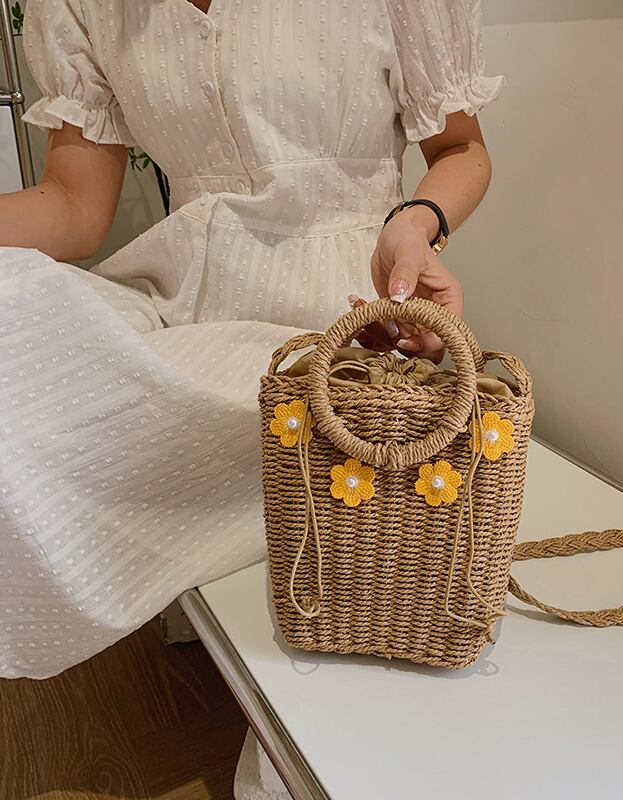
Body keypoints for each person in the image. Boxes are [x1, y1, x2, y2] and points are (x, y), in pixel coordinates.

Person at [0, 0, 502, 795]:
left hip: (335, 317)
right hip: (178, 298)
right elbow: (74, 206)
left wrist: (415, 225)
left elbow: (461, 148)